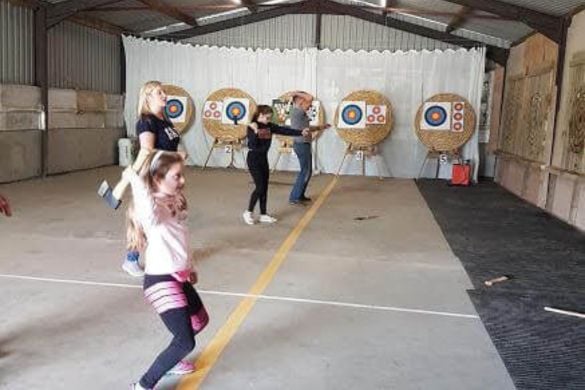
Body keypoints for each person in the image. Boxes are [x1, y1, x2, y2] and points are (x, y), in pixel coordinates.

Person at [124, 151, 208, 390]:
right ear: (158, 179)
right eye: (176, 175)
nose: (182, 180)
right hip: (160, 281)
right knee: (184, 342)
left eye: (182, 174)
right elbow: (145, 204)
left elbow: (181, 240)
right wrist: (135, 179)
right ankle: (142, 385)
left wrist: (189, 267)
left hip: (178, 276)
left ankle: (171, 360)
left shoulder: (174, 200)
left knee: (200, 320)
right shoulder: (152, 210)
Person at [123, 80, 182, 277]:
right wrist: (174, 157)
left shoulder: (165, 121)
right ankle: (131, 259)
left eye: (164, 91)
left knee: (166, 217)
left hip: (168, 178)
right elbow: (148, 151)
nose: (164, 95)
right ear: (148, 97)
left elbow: (170, 146)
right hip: (153, 176)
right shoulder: (146, 121)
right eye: (159, 92)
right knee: (146, 218)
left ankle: (166, 256)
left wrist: (177, 155)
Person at [243, 105, 309, 225]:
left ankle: (263, 214)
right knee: (260, 187)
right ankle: (248, 212)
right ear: (260, 115)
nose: (269, 120)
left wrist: (300, 132)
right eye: (267, 118)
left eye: (270, 118)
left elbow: (284, 130)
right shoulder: (252, 126)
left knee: (265, 187)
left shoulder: (269, 126)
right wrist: (255, 131)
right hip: (253, 159)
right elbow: (252, 145)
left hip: (263, 159)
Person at [288, 92, 330, 205]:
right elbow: (310, 98)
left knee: (307, 171)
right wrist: (296, 92)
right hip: (301, 144)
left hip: (303, 144)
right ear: (300, 101)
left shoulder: (300, 113)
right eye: (304, 101)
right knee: (305, 171)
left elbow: (306, 128)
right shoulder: (297, 111)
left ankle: (299, 195)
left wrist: (321, 127)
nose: (309, 103)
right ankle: (294, 197)